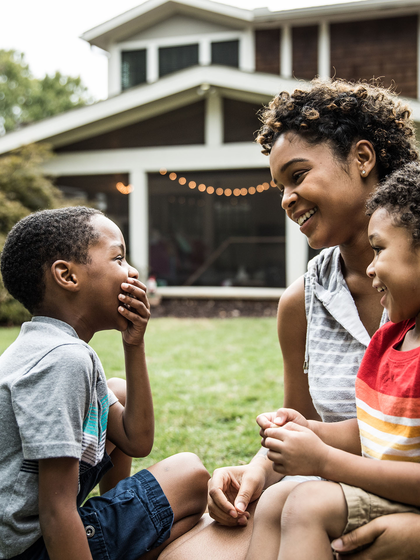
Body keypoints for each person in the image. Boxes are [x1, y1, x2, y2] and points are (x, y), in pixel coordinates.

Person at [159, 79, 420, 560]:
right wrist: (257, 469)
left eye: (298, 175)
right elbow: (307, 432)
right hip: (324, 510)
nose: (285, 198)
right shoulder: (303, 301)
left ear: (363, 159)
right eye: (280, 186)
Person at [0, 207, 210, 560]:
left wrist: (134, 344)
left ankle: (114, 528)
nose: (133, 272)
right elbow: (57, 511)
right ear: (67, 275)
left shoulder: (47, 345)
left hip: (28, 537)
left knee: (118, 390)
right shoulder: (63, 360)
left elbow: (137, 440)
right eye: (119, 258)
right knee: (190, 474)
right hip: (32, 548)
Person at [246, 161, 420, 560]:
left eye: (380, 250)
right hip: (384, 487)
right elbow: (377, 432)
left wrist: (325, 459)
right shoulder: (390, 340)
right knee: (276, 501)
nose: (371, 266)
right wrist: (310, 431)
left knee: (308, 504)